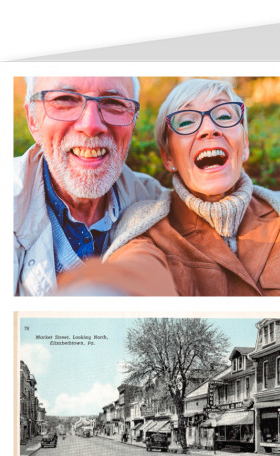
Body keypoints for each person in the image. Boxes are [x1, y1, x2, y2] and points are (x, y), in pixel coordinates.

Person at [57, 78, 280, 296]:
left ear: (244, 144)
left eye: (224, 116)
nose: (209, 129)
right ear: (168, 157)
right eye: (186, 121)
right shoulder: (146, 229)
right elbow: (135, 271)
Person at [14, 76, 168, 296]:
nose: (91, 125)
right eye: (65, 99)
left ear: (133, 121)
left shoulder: (157, 204)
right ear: (32, 120)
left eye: (114, 103)